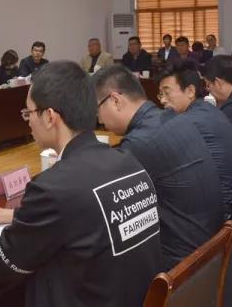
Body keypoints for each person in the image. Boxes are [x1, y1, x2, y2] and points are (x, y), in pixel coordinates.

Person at [0, 61, 162, 307]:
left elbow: (1, 263)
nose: (28, 121)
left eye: (29, 112)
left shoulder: (53, 187)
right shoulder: (128, 162)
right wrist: (9, 216)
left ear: (50, 117)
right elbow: (80, 218)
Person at [93, 64, 224, 270]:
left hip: (182, 264)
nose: (99, 119)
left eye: (97, 109)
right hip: (211, 245)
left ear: (116, 100)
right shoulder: (172, 118)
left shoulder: (139, 142)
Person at [157, 59, 232, 213]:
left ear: (190, 91)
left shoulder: (188, 121)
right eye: (160, 94)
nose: (162, 100)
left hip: (221, 209)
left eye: (167, 92)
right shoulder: (208, 109)